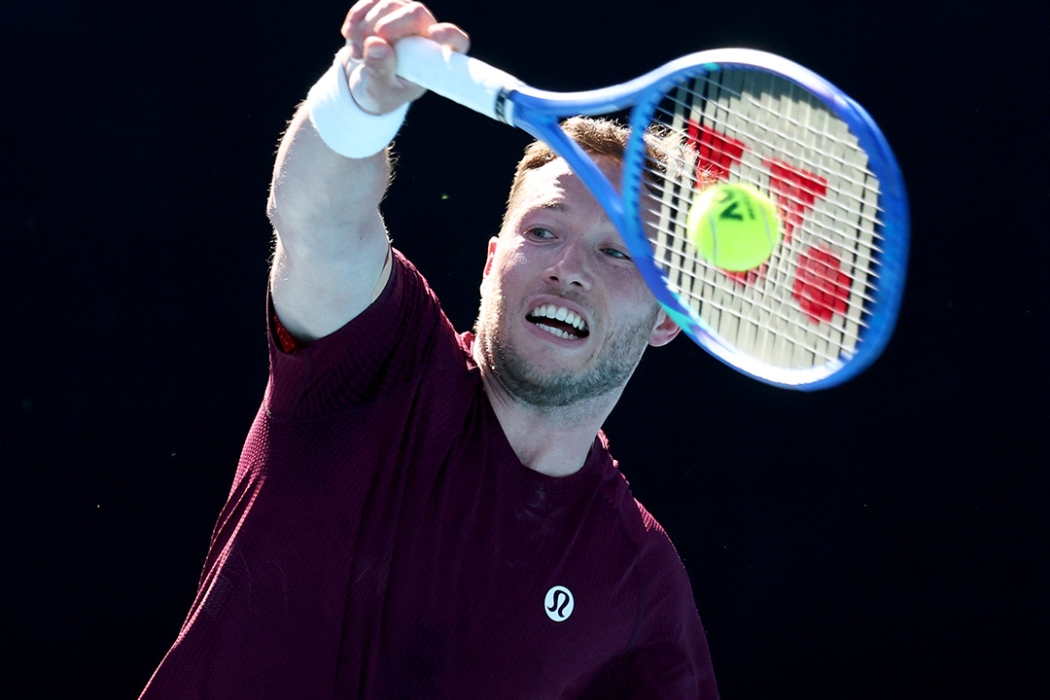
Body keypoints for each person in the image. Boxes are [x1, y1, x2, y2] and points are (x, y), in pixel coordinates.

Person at [140, 1, 719, 697]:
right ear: (491, 259)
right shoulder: (379, 360)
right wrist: (361, 101)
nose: (567, 266)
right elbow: (316, 220)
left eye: (616, 251)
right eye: (541, 231)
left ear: (668, 318)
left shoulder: (641, 587)